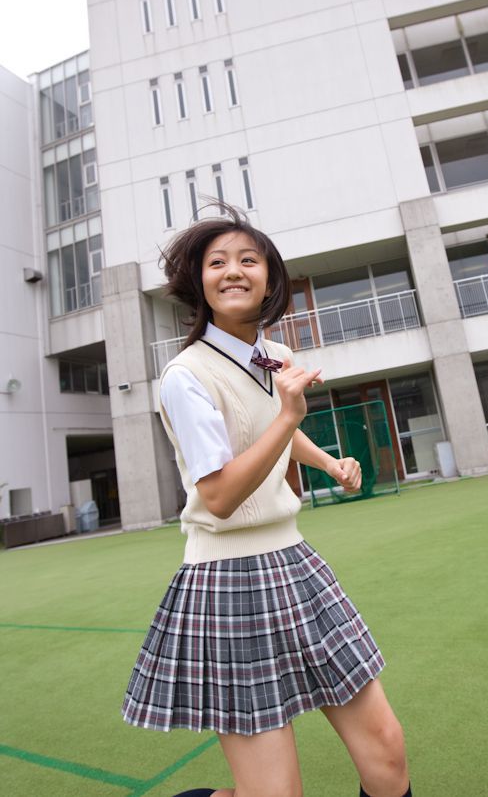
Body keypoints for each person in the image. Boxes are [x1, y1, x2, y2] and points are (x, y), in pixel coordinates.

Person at [122, 203, 411, 797]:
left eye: (248, 260)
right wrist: (288, 415)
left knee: (387, 755)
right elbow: (221, 495)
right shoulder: (185, 376)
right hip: (226, 579)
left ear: (270, 278)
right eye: (217, 262)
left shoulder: (274, 357)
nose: (233, 271)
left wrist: (327, 462)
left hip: (296, 563)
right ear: (198, 282)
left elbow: (269, 426)